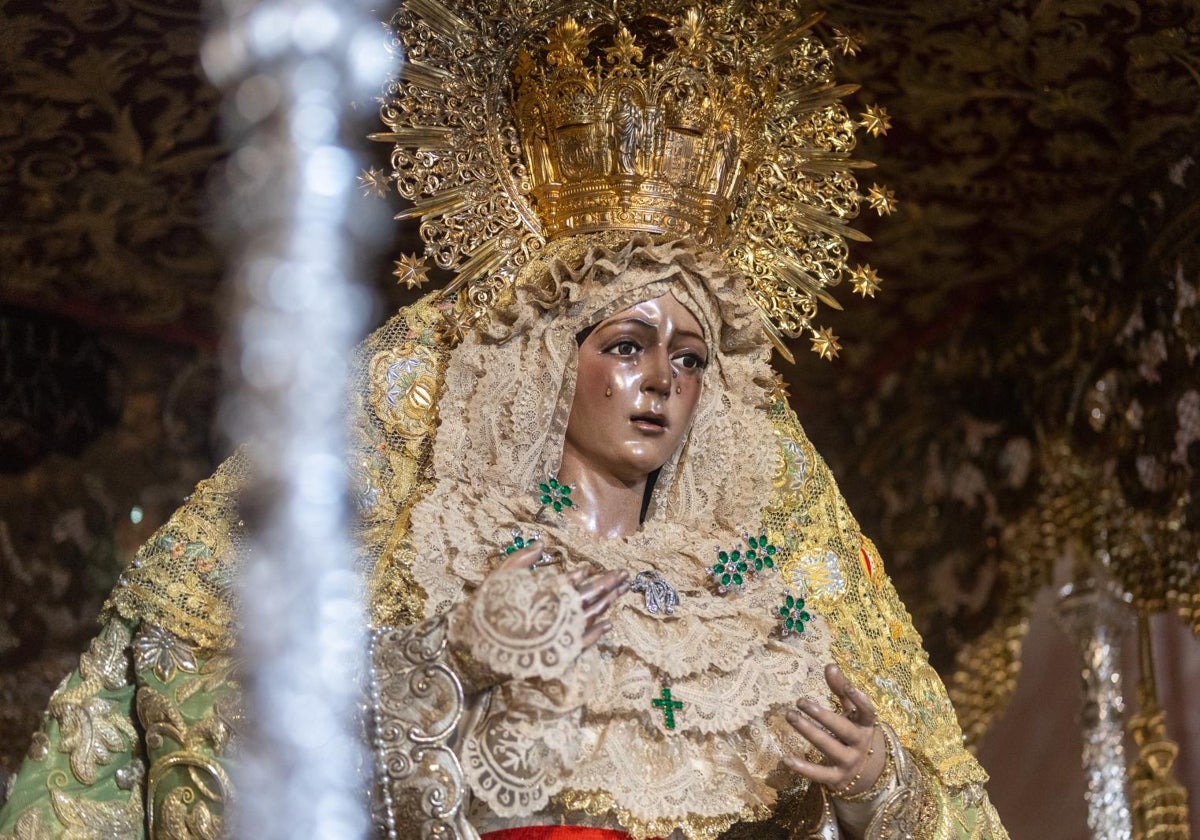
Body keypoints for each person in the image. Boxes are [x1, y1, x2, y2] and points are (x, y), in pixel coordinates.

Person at [0, 1, 1010, 837]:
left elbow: (932, 811)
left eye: (690, 357)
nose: (661, 381)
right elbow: (242, 725)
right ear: (552, 364)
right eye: (627, 345)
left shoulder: (754, 593)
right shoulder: (447, 552)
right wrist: (459, 667)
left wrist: (877, 786)